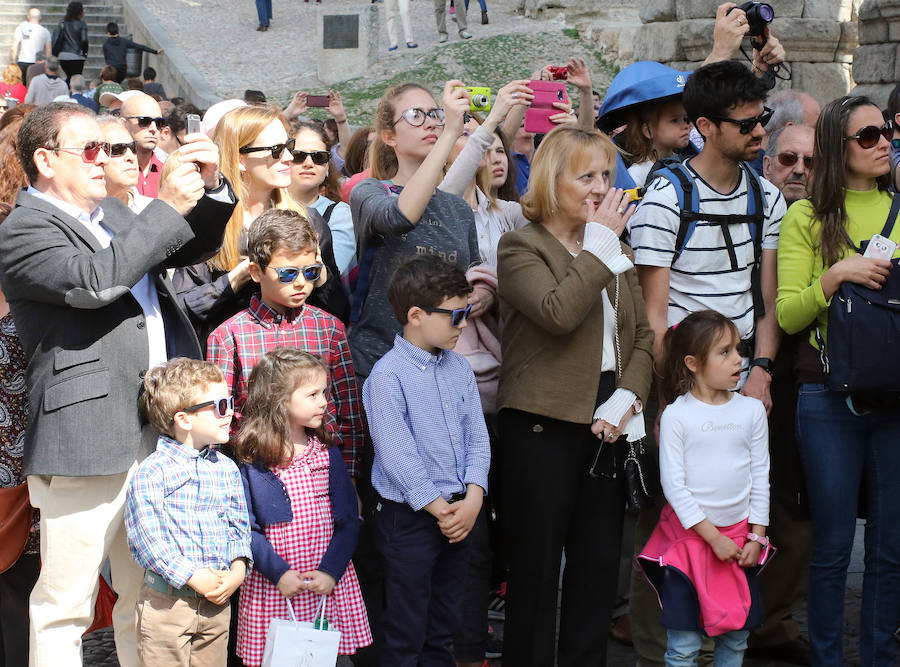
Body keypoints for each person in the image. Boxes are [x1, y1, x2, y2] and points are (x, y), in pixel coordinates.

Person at [0, 101, 236, 667]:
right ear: (44, 161)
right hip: (84, 433)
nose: (104, 159)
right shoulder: (23, 228)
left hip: (156, 429)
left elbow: (190, 244)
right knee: (66, 602)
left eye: (109, 147)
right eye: (90, 148)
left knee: (146, 596)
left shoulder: (114, 214)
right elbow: (96, 282)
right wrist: (165, 208)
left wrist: (212, 187)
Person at [624, 59, 786, 667]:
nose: (759, 133)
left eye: (761, 119)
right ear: (703, 126)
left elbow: (764, 298)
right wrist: (678, 395)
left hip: (743, 373)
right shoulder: (665, 197)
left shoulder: (764, 195)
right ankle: (657, 651)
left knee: (739, 509)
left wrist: (761, 370)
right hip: (681, 378)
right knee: (669, 523)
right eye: (746, 124)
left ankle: (728, 644)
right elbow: (653, 310)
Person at [496, 125, 653, 666]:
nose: (600, 187)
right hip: (541, 427)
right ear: (550, 180)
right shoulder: (521, 245)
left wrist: (627, 395)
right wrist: (602, 247)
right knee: (536, 575)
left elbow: (642, 338)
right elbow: (558, 313)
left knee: (595, 570)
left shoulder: (614, 247)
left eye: (606, 175)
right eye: (585, 176)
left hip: (608, 420)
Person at [776, 95, 900, 666]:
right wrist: (838, 274)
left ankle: (877, 658)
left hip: (894, 396)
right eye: (868, 135)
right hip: (827, 396)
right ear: (837, 148)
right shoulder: (806, 217)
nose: (882, 143)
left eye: (885, 133)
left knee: (888, 549)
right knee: (829, 547)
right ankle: (827, 658)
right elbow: (787, 316)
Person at [362, 256, 491, 666]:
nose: (464, 324)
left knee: (444, 625)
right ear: (415, 315)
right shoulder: (386, 376)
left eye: (466, 313)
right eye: (456, 316)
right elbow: (397, 456)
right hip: (411, 520)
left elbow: (478, 438)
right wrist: (441, 510)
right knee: (404, 628)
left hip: (459, 513)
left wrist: (472, 498)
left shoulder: (460, 370)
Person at [638, 310, 770, 666]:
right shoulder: (677, 416)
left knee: (736, 639)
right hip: (692, 544)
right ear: (694, 363)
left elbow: (761, 475)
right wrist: (713, 538)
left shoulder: (751, 412)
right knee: (683, 646)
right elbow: (675, 487)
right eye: (724, 352)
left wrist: (757, 537)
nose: (738, 359)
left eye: (738, 349)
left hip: (741, 542)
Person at [236, 348, 372, 666]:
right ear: (278, 399)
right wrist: (280, 574)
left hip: (326, 584)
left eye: (324, 392)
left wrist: (330, 571)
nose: (324, 401)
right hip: (275, 587)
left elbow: (349, 520)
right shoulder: (254, 463)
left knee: (331, 657)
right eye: (312, 394)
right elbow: (246, 529)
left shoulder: (326, 453)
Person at [206, 208, 364, 479]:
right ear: (256, 272)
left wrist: (349, 478)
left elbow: (350, 415)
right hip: (257, 474)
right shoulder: (227, 336)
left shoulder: (330, 329)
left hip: (327, 473)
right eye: (289, 274)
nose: (302, 283)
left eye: (311, 272)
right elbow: (218, 425)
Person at [173, 104, 347, 347]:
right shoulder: (208, 223)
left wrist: (317, 273)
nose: (288, 158)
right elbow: (180, 310)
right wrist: (238, 278)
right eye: (276, 150)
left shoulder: (308, 220)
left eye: (288, 147)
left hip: (296, 362)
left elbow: (340, 310)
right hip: (229, 365)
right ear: (241, 158)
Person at [348, 80, 479, 380]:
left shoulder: (458, 209)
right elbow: (401, 216)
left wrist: (482, 293)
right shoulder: (369, 191)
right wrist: (450, 133)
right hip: (378, 363)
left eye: (435, 114)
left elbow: (471, 277)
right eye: (415, 116)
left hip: (443, 366)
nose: (430, 123)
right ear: (389, 136)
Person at [124, 359, 252, 665]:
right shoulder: (153, 473)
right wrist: (192, 575)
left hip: (216, 606)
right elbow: (147, 541)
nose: (230, 412)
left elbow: (238, 527)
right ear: (184, 418)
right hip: (167, 606)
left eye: (231, 402)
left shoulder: (227, 469)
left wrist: (238, 570)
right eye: (220, 405)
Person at [596, 61, 693, 187]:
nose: (685, 125)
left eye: (686, 119)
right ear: (648, 131)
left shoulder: (689, 162)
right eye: (675, 120)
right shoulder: (637, 175)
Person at [288, 120, 356, 275]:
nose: (309, 163)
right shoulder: (263, 204)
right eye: (298, 156)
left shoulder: (340, 214)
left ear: (327, 168)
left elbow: (329, 270)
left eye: (319, 157)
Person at [121, 92, 167, 197]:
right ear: (124, 124)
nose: (154, 129)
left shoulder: (169, 171)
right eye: (145, 121)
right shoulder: (108, 171)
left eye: (159, 123)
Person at [10, 8, 50, 83]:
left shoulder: (20, 28)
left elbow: (13, 47)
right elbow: (48, 51)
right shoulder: (45, 31)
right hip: (38, 63)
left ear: (28, 17)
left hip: (22, 61)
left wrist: (12, 62)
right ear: (40, 18)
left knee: (22, 86)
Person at [53, 1, 88, 82]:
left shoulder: (63, 23)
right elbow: (84, 40)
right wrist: (85, 53)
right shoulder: (82, 24)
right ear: (79, 11)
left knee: (69, 77)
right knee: (76, 79)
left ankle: (66, 90)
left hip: (63, 56)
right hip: (77, 55)